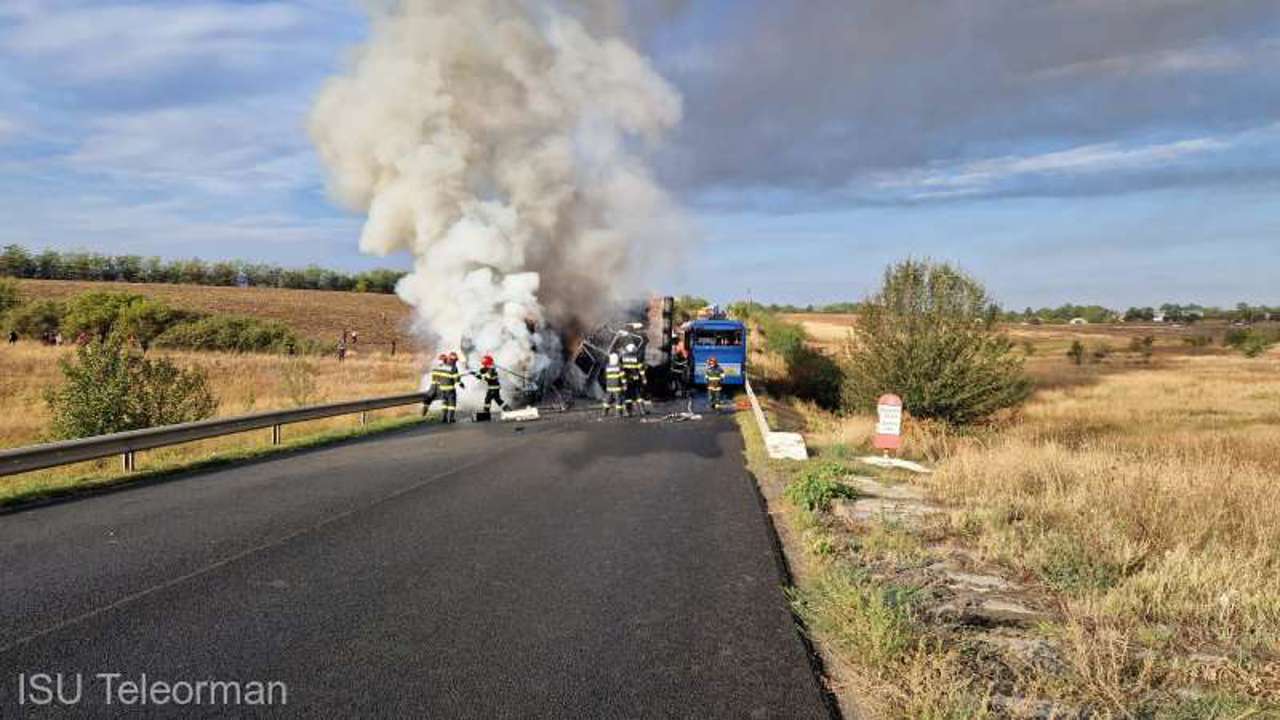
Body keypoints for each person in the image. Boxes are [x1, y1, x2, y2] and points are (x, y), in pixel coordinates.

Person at [621, 343, 646, 416]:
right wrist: (644, 378)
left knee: (628, 396)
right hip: (635, 379)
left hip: (627, 380)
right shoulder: (637, 357)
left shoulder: (623, 357)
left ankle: (628, 412)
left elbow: (621, 370)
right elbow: (641, 369)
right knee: (638, 394)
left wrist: (623, 381)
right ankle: (642, 411)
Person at [602, 352, 625, 417]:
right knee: (618, 400)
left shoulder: (607, 366)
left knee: (608, 399)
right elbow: (622, 377)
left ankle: (604, 412)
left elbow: (605, 376)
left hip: (609, 386)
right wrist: (624, 384)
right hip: (617, 387)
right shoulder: (619, 366)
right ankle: (618, 413)